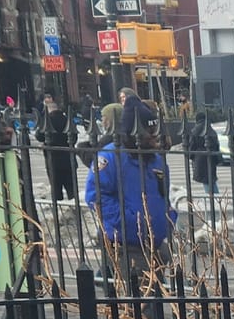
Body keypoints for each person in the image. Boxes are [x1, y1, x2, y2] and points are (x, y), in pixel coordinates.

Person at [85, 91, 176, 291]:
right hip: (128, 245)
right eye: (150, 134)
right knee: (144, 307)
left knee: (154, 305)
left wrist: (168, 218)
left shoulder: (156, 159)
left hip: (155, 243)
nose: (155, 138)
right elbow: (95, 197)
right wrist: (129, 222)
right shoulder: (110, 157)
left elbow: (163, 196)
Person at [39, 93, 77, 202]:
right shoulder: (66, 119)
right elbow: (74, 137)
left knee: (56, 188)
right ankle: (75, 207)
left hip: (53, 158)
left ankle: (58, 210)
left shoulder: (47, 120)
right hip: (68, 157)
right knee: (71, 187)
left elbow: (39, 135)